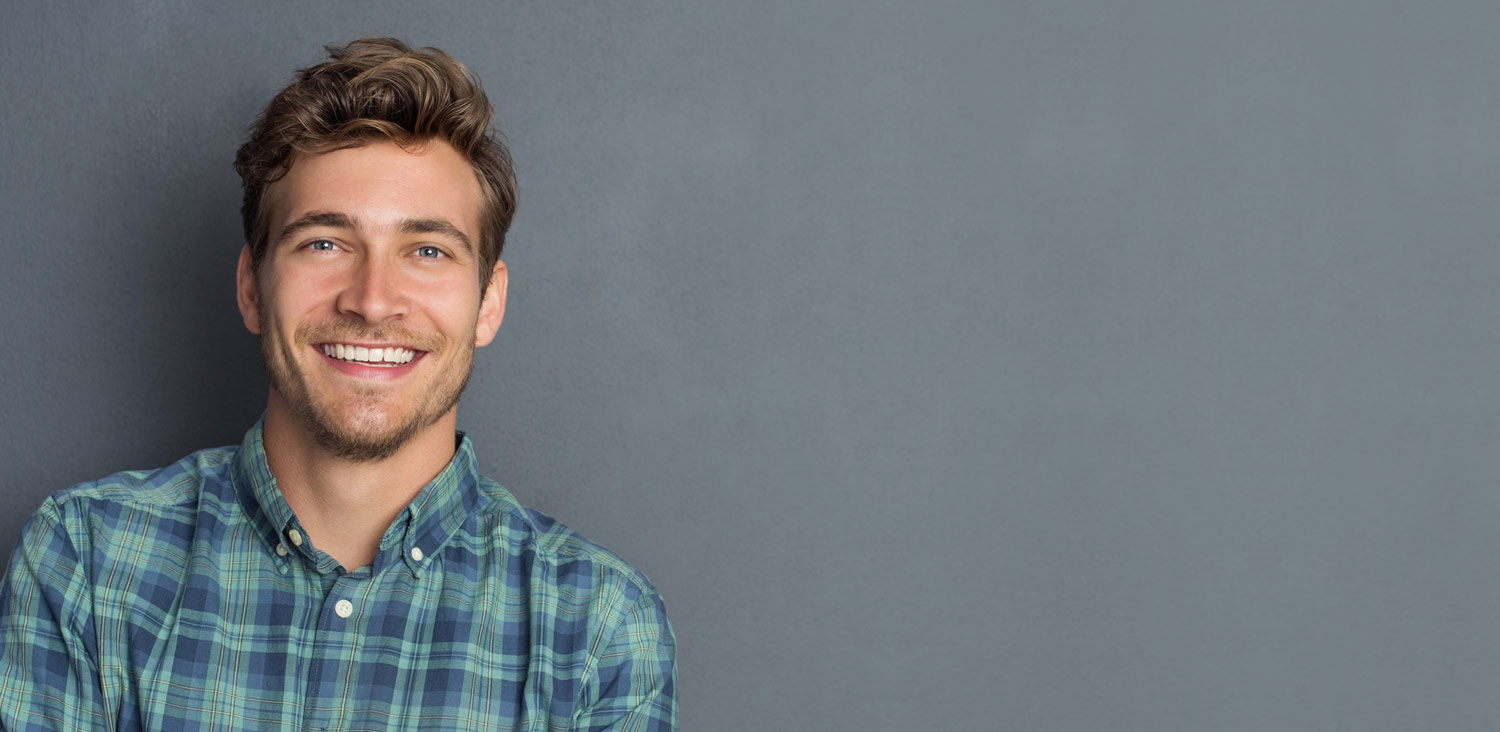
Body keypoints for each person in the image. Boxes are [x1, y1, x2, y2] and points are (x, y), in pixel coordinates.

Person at [0, 37, 677, 731]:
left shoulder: (595, 630)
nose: (373, 300)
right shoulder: (88, 563)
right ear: (251, 288)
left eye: (427, 250)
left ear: (489, 303)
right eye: (324, 243)